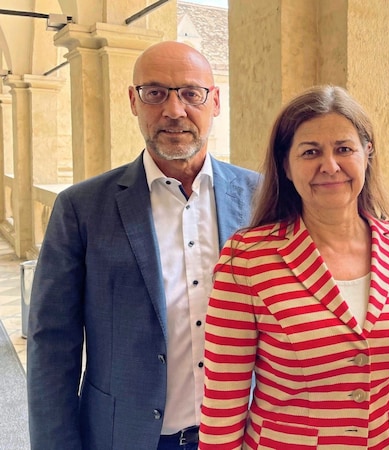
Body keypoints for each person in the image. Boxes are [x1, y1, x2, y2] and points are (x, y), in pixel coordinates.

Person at [26, 41, 259, 450]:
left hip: (242, 435)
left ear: (215, 101)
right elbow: (53, 346)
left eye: (191, 93)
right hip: (126, 436)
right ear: (133, 101)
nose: (174, 110)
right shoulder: (81, 208)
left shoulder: (260, 198)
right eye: (155, 93)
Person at [198, 85, 389, 449]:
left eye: (344, 149)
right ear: (286, 165)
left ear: (366, 153)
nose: (330, 166)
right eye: (311, 152)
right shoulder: (248, 260)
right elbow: (224, 401)